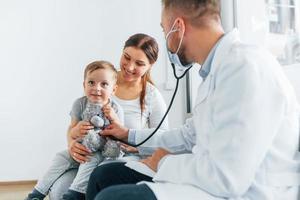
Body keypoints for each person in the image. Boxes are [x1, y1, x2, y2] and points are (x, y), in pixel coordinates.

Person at [86, 0, 300, 200]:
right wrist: (128, 135)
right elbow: (188, 136)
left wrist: (163, 162)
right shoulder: (215, 71)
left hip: (243, 191)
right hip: (207, 178)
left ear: (178, 27)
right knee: (103, 176)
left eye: (164, 29)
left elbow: (226, 178)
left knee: (111, 197)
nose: (166, 38)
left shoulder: (245, 68)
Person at [47, 33, 169, 200]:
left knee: (99, 181)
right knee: (60, 189)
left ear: (150, 65)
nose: (130, 67)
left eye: (139, 63)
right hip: (90, 153)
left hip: (118, 157)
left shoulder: (152, 95)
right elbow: (75, 123)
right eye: (126, 57)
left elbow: (163, 139)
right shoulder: (102, 80)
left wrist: (135, 146)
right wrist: (72, 144)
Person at [26, 60, 125, 200]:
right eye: (91, 82)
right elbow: (72, 129)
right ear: (84, 85)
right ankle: (36, 193)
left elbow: (119, 136)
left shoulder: (116, 109)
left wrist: (114, 119)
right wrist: (76, 131)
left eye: (104, 84)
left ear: (113, 89)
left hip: (102, 153)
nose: (96, 88)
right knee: (61, 156)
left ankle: (74, 194)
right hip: (82, 146)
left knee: (88, 159)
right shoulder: (80, 103)